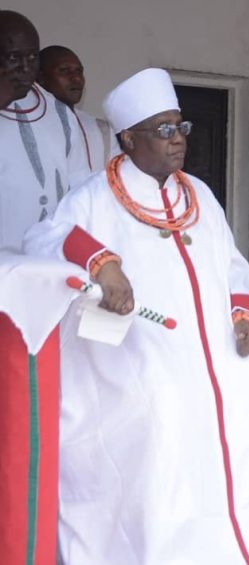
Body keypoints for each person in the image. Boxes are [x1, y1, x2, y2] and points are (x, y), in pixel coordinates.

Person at [24, 68, 249, 564]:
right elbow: (46, 239)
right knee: (167, 400)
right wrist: (104, 264)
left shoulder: (199, 195)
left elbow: (232, 265)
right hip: (136, 344)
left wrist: (245, 313)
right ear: (127, 138)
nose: (176, 141)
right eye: (162, 130)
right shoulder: (94, 196)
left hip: (217, 340)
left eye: (179, 128)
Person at [0, 11, 89, 565]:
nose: (20, 68)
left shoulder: (61, 117)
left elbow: (80, 192)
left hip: (43, 287)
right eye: (9, 57)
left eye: (27, 58)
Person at [38, 44, 119, 172]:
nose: (76, 78)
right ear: (41, 78)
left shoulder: (101, 130)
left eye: (79, 71)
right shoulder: (26, 127)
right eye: (64, 71)